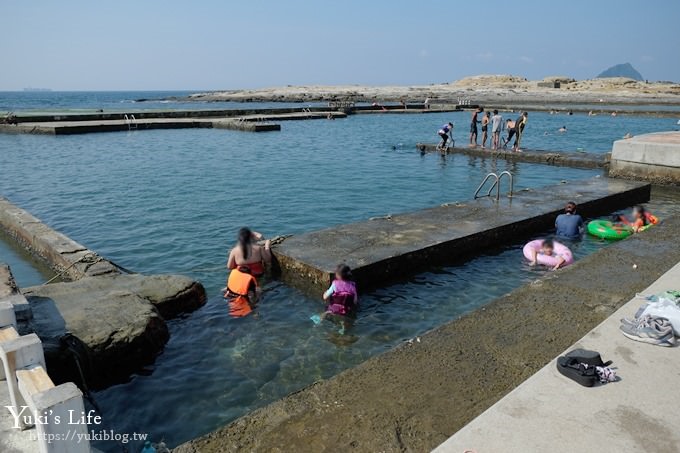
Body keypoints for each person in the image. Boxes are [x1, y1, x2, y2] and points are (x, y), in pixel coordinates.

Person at [311, 264, 359, 333]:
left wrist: (325, 293)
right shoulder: (352, 285)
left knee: (327, 312)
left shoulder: (335, 284)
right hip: (346, 310)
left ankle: (318, 321)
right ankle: (343, 328)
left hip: (334, 308)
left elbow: (325, 297)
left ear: (338, 275)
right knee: (343, 320)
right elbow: (355, 301)